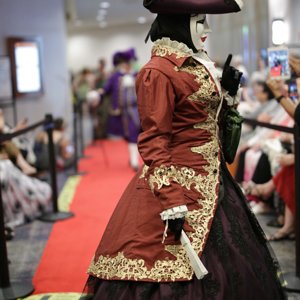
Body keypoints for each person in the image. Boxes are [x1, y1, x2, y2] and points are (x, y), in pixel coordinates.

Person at [84, 1, 286, 299]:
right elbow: (155, 139)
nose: (207, 28)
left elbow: (204, 122)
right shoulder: (158, 71)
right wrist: (171, 199)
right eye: (199, 20)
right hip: (177, 185)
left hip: (213, 178)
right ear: (179, 23)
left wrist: (228, 94)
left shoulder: (195, 62)